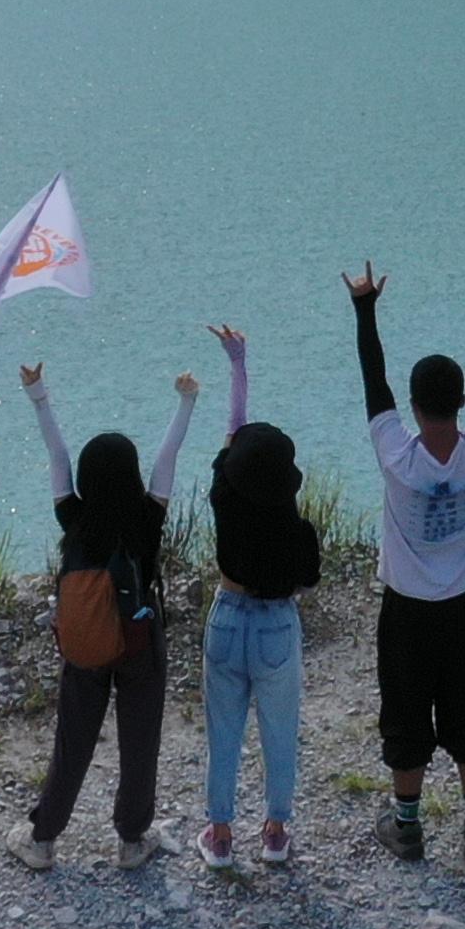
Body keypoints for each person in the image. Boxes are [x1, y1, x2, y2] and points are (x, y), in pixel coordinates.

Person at [351, 258, 465, 864]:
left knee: (406, 710)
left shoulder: (397, 456)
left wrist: (365, 309)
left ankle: (408, 825)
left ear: (413, 407)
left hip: (407, 610)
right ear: (462, 401)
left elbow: (374, 380)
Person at [14, 348, 200, 868]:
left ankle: (43, 840)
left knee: (72, 741)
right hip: (140, 638)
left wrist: (38, 397)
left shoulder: (71, 517)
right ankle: (131, 840)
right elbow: (170, 456)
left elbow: (56, 455)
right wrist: (186, 402)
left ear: (87, 480)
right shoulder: (148, 516)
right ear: (132, 474)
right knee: (139, 742)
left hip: (86, 640)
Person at [198, 324, 317, 872]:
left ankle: (221, 834)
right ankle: (274, 831)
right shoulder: (297, 531)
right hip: (275, 626)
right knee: (279, 732)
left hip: (226, 619)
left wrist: (237, 367)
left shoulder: (225, 497)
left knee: (223, 732)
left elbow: (232, 438)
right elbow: (306, 580)